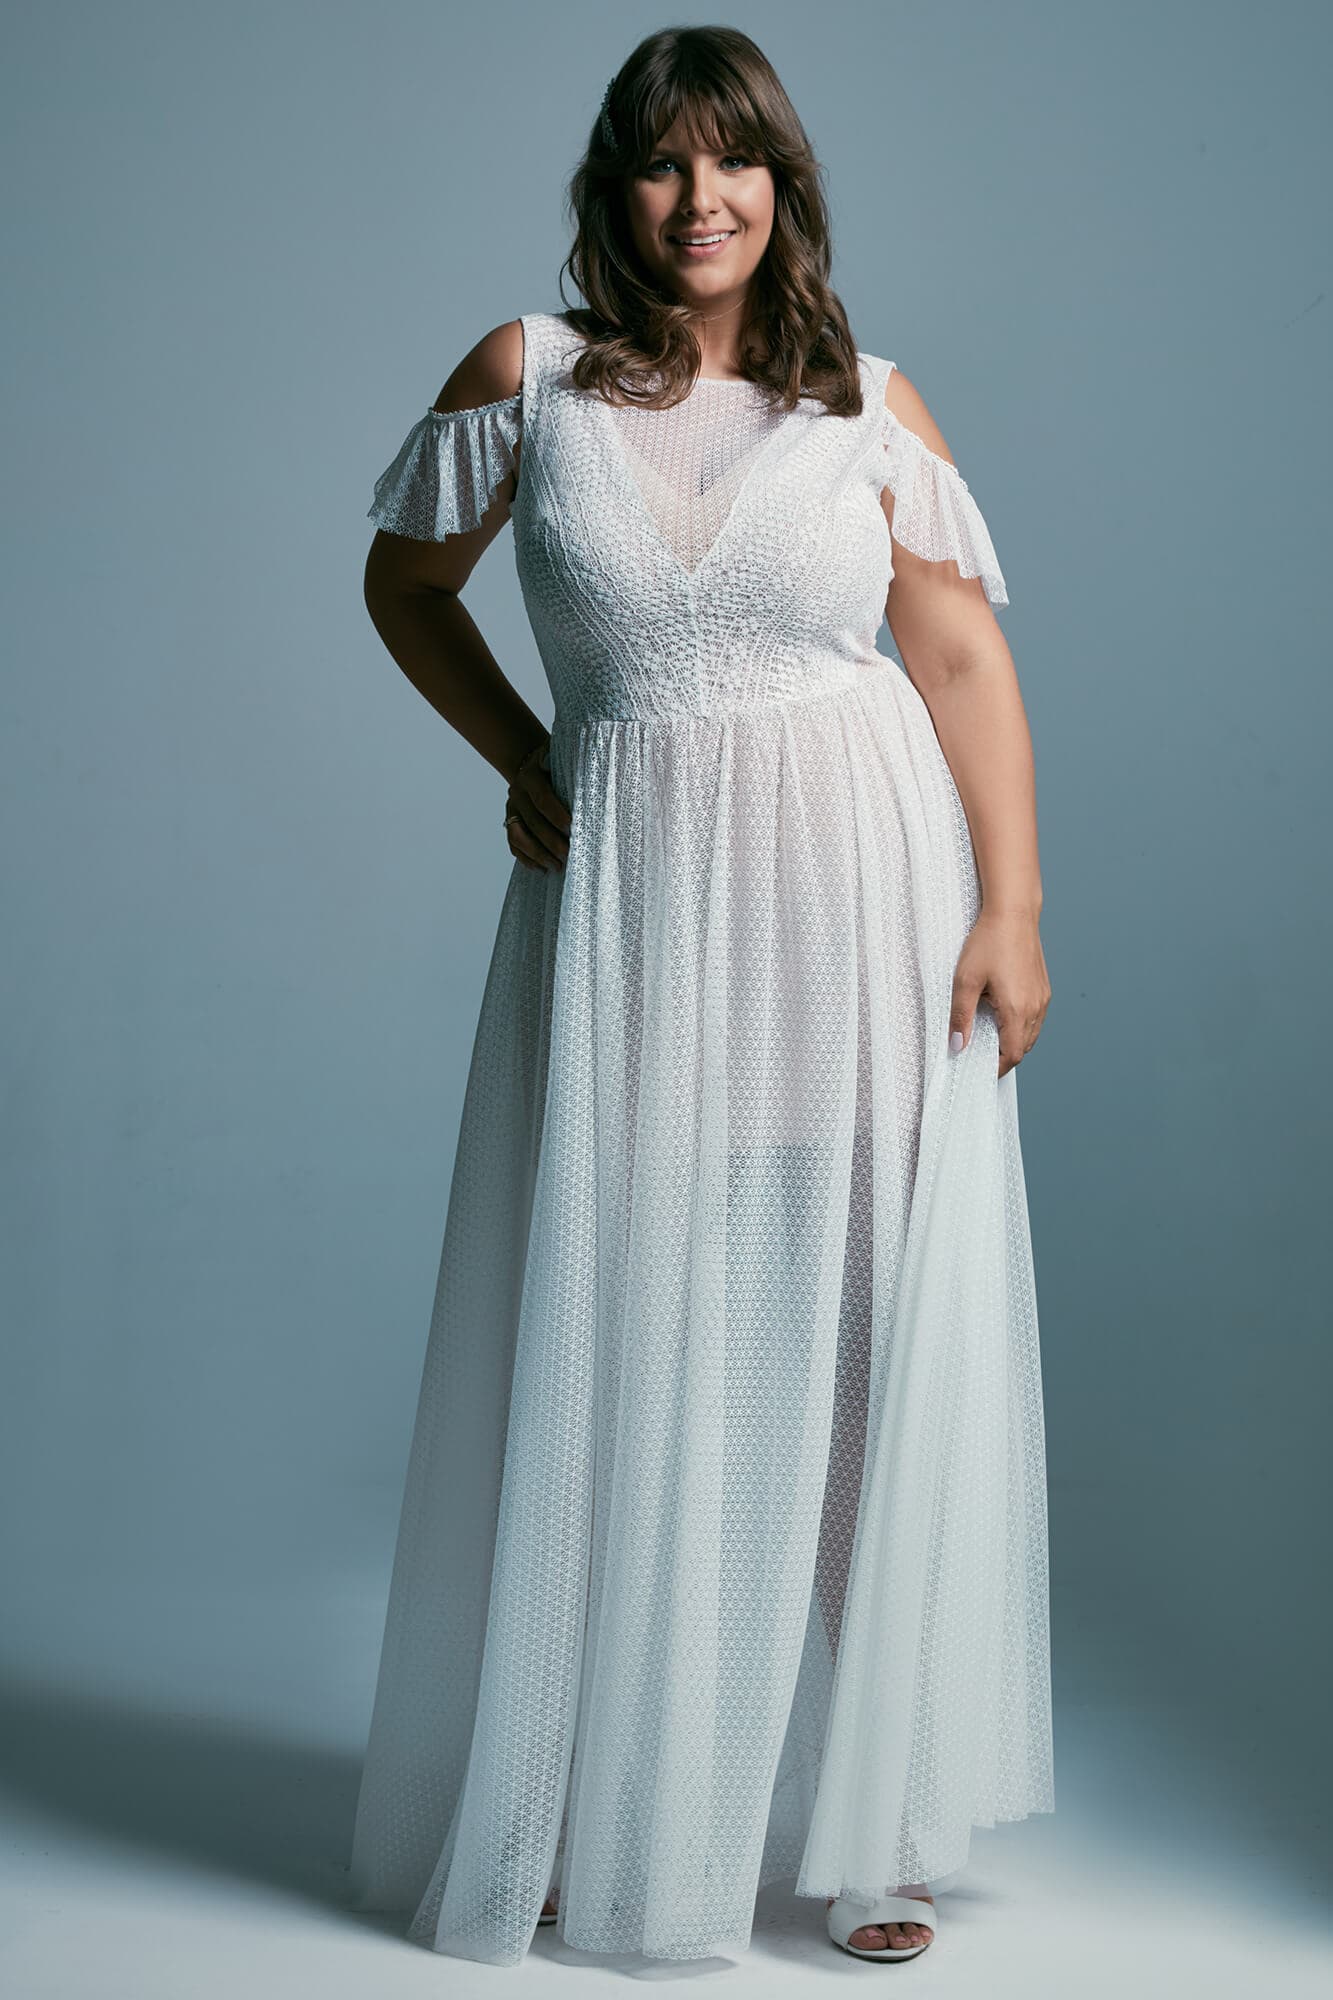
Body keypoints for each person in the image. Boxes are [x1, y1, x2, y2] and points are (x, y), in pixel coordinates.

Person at [343, 22, 1054, 1971]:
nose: (700, 197)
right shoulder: (529, 378)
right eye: (662, 163)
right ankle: (560, 1798)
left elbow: (957, 660)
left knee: (850, 1362)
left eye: (734, 160)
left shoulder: (862, 402)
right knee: (612, 1335)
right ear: (615, 192)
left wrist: (1011, 906)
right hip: (640, 919)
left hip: (855, 913)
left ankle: (874, 1821)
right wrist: (522, 753)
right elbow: (405, 587)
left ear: (782, 186)